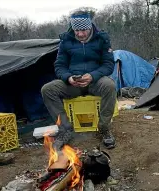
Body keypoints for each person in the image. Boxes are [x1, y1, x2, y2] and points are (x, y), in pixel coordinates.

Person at [41, 11, 117, 150]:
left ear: (90, 27)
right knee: (48, 89)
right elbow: (59, 66)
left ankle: (104, 128)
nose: (80, 34)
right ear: (73, 28)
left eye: (83, 30)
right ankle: (65, 130)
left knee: (110, 85)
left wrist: (93, 76)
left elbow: (108, 64)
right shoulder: (66, 41)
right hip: (73, 83)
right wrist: (68, 78)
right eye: (77, 30)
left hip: (95, 81)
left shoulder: (102, 39)